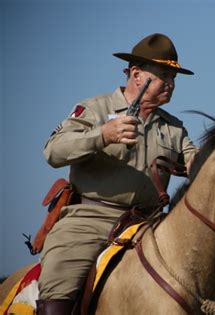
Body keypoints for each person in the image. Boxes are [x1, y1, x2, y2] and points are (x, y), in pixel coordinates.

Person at [36, 33, 197, 314]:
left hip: (151, 227)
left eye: (174, 78)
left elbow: (198, 164)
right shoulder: (94, 109)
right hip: (90, 222)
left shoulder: (174, 128)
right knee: (58, 294)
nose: (171, 84)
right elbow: (53, 151)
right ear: (136, 74)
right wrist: (102, 136)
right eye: (164, 75)